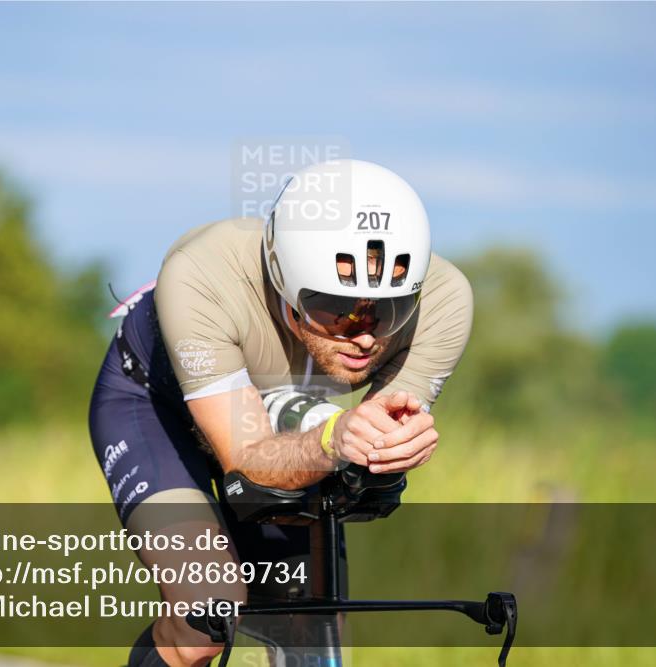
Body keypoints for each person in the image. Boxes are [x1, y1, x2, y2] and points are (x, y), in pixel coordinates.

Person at [88, 159, 474, 667]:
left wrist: (385, 448)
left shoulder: (444, 301)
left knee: (309, 631)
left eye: (388, 309)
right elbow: (247, 462)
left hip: (287, 419)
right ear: (283, 282)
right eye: (334, 306)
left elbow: (366, 447)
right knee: (207, 615)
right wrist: (335, 439)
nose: (364, 335)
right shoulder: (202, 274)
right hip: (154, 407)